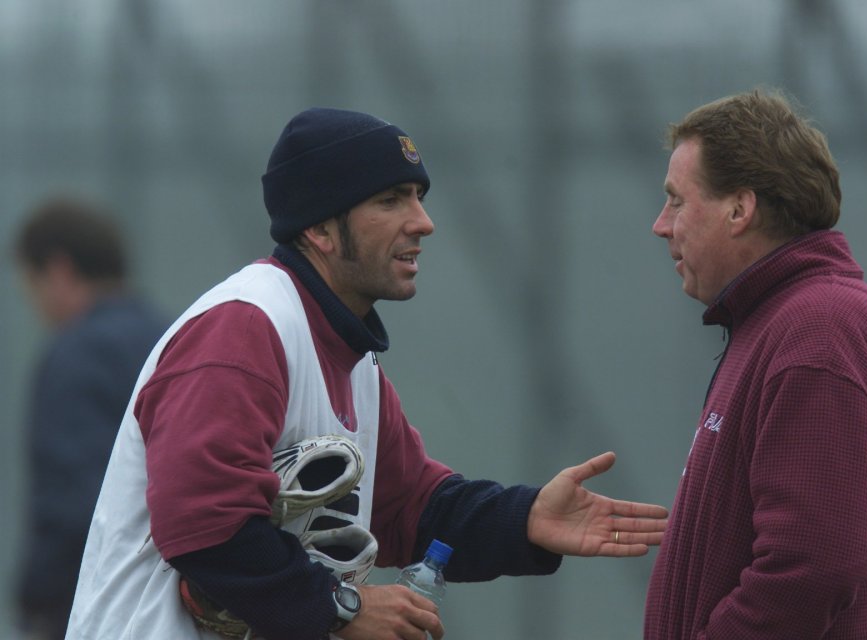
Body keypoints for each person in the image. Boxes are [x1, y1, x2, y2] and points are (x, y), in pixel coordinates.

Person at [66, 107, 669, 640]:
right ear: (320, 229)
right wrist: (341, 610)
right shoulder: (243, 329)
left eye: (418, 195)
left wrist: (526, 518)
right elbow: (207, 526)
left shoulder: (349, 354)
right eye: (391, 199)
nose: (422, 221)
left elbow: (412, 506)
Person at [644, 88, 867, 639]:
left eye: (677, 200)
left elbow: (816, 561)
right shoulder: (782, 320)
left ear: (740, 209)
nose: (661, 224)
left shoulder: (818, 331)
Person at [12, 196, 169, 640]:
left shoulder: (76, 353)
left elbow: (76, 505)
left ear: (58, 272)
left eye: (31, 284)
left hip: (88, 606)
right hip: (169, 597)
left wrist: (37, 601)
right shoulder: (171, 337)